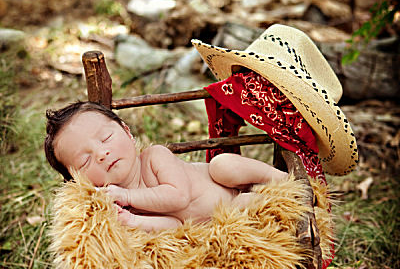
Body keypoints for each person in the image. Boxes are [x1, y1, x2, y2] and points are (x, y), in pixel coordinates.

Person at [45, 101, 287, 232]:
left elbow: (179, 197)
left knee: (222, 165)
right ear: (78, 182)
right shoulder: (120, 205)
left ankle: (282, 179)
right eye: (84, 160)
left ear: (127, 132)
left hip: (230, 188)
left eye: (106, 138)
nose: (101, 153)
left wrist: (127, 195)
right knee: (242, 208)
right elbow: (176, 225)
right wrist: (132, 221)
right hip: (221, 222)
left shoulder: (154, 157)